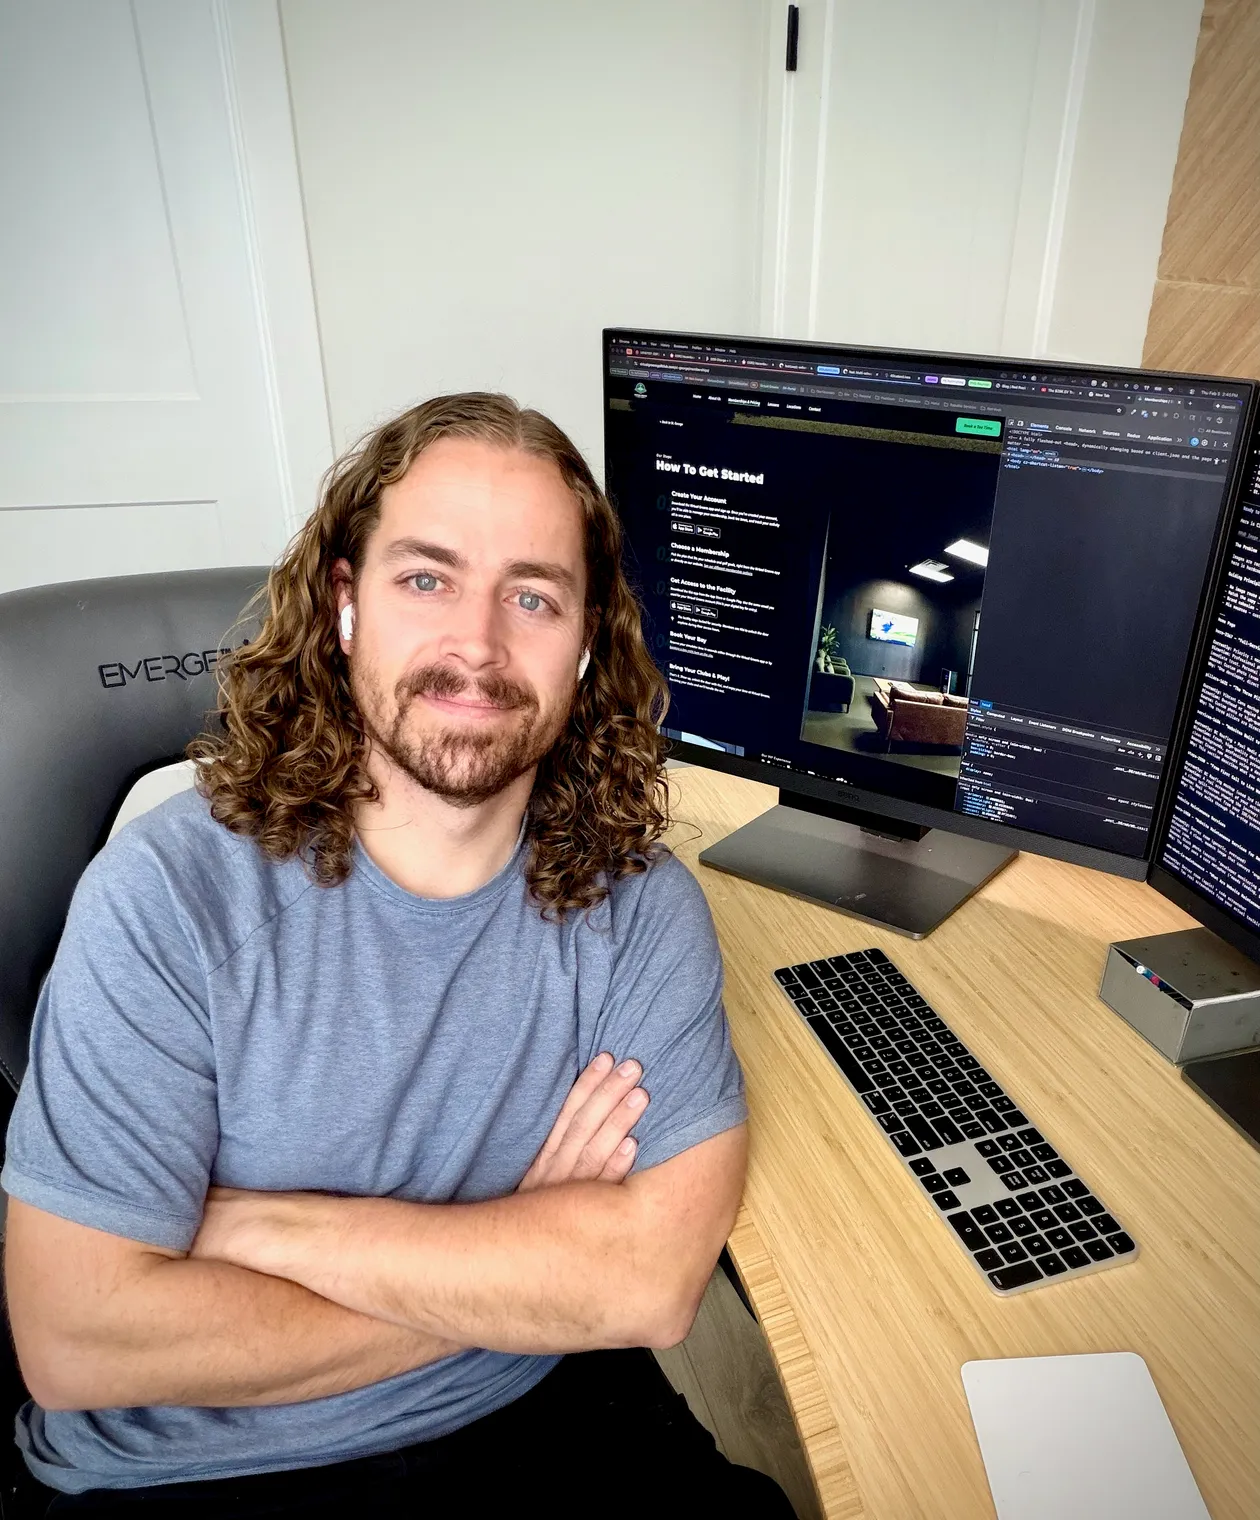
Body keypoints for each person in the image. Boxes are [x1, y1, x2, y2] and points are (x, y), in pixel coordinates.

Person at [2, 394, 793, 1516]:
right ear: (345, 607)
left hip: (532, 1413)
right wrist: (520, 1259)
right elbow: (78, 1338)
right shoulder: (166, 898)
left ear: (585, 644)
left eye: (533, 595)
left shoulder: (641, 907)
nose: (477, 644)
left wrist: (257, 1226)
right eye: (426, 578)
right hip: (189, 1468)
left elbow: (650, 1283)